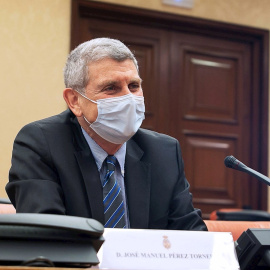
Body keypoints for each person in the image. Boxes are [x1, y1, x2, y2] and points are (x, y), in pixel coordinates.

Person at [6, 38, 207, 231]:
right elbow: (48, 234)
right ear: (74, 100)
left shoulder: (164, 151)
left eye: (134, 86)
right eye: (111, 88)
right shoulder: (41, 143)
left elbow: (191, 233)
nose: (128, 98)